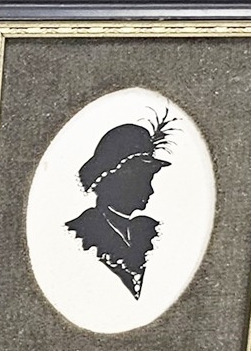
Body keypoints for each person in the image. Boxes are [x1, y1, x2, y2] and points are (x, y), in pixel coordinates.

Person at [65, 112, 175, 298]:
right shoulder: (81, 235)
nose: (150, 191)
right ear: (112, 180)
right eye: (140, 180)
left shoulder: (150, 233)